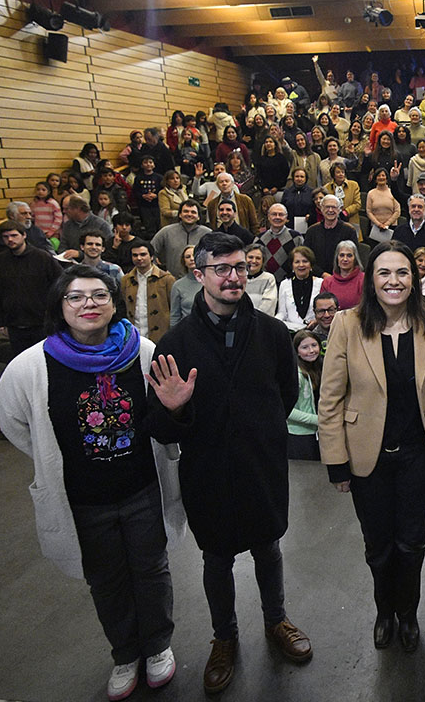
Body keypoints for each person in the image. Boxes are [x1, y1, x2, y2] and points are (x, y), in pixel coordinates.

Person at [0, 265, 183, 701]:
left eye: (99, 295)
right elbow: (13, 420)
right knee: (106, 579)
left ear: (114, 303)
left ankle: (157, 647)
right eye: (75, 297)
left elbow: (162, 411)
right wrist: (50, 459)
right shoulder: (33, 365)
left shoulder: (143, 352)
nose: (88, 305)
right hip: (83, 499)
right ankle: (125, 653)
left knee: (151, 570)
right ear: (60, 308)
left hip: (140, 489)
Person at [144, 232, 312, 693]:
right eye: (221, 269)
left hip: (261, 465)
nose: (233, 276)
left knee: (268, 547)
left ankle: (277, 621)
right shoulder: (174, 344)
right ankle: (225, 637)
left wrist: (259, 431)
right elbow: (158, 425)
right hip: (208, 470)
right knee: (216, 558)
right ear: (199, 275)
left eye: (239, 267)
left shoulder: (275, 334)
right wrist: (177, 408)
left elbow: (286, 393)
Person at [318, 241, 425, 653]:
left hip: (418, 456)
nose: (394, 281)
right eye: (384, 273)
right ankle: (384, 611)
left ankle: (407, 612)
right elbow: (331, 398)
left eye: (402, 272)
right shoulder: (347, 323)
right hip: (365, 457)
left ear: (415, 278)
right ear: (370, 280)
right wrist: (336, 462)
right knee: (378, 544)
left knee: (412, 542)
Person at [0, 221, 63, 357]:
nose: (10, 239)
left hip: (42, 323)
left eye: (13, 235)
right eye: (6, 237)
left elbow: (59, 285)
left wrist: (55, 316)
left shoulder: (42, 257)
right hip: (14, 325)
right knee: (21, 363)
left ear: (24, 235)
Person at [150, 200, 211, 278]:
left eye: (193, 212)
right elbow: (150, 251)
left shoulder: (207, 234)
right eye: (186, 211)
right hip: (173, 280)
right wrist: (158, 271)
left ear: (199, 217)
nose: (189, 214)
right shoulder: (166, 232)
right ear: (180, 215)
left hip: (201, 281)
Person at [287, 329, 322, 461]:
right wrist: (317, 420)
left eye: (314, 345)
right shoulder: (296, 374)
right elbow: (288, 410)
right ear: (297, 351)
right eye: (305, 347)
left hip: (315, 433)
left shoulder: (316, 368)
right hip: (299, 435)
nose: (311, 350)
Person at [276, 246, 323, 332]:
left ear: (311, 264)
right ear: (292, 265)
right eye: (297, 262)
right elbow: (282, 313)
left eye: (305, 261)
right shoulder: (284, 284)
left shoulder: (321, 283)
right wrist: (274, 323)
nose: (301, 265)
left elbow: (324, 311)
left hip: (315, 331)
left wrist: (317, 321)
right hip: (291, 331)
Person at [392, 194, 425, 263]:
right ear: (409, 209)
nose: (416, 209)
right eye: (413, 206)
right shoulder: (399, 231)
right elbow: (394, 255)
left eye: (420, 207)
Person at [257, 203, 301, 283]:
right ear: (268, 217)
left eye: (281, 214)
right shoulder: (259, 239)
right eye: (274, 214)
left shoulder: (296, 237)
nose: (277, 217)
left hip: (289, 283)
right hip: (265, 283)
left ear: (286, 217)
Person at [321, 239, 364, 310]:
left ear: (355, 259)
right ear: (337, 258)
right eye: (341, 255)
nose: (345, 259)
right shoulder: (327, 282)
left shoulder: (364, 279)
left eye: (349, 255)